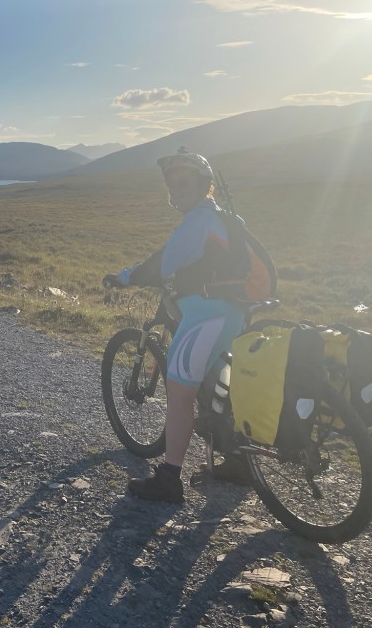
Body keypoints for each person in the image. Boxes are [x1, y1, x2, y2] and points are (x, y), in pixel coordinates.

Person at [103, 150, 252, 503]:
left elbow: (165, 262)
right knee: (218, 385)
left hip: (206, 315)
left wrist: (126, 277)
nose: (176, 188)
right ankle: (238, 460)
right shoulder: (223, 217)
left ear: (203, 185)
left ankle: (170, 478)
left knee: (180, 392)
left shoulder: (199, 219)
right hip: (233, 312)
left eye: (184, 182)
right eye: (172, 183)